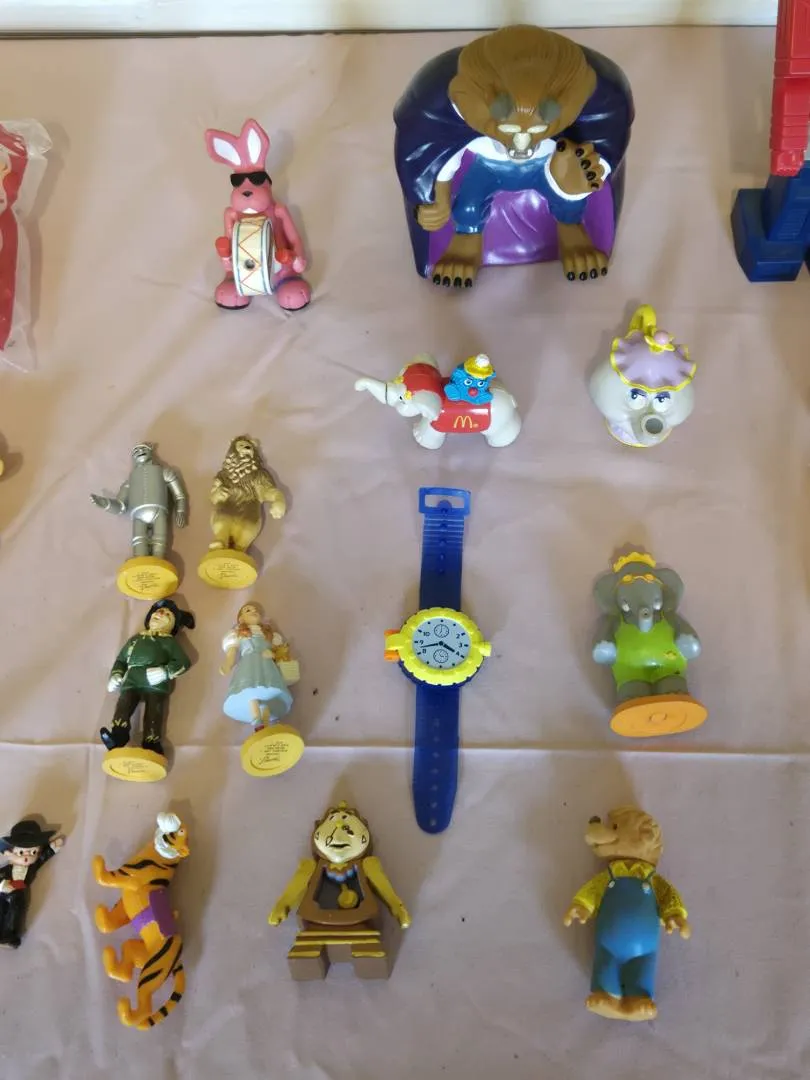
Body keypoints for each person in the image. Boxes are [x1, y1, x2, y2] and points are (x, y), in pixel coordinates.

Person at [0, 820, 64, 948]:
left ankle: (11, 935)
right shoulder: (5, 870)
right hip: (3, 893)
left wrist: (52, 848)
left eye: (33, 852)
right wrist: (2, 884)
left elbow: (42, 858)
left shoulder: (32, 867)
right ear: (10, 853)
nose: (26, 857)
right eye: (21, 852)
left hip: (18, 895)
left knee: (17, 911)